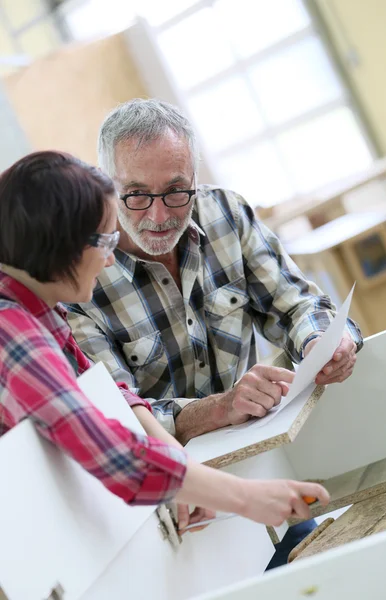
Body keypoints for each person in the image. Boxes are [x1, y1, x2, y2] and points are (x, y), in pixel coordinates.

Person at [67, 99, 362, 563]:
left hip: (263, 470)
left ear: (196, 179)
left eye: (176, 191)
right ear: (106, 186)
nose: (159, 215)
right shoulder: (78, 278)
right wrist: (217, 409)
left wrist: (321, 342)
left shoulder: (225, 213)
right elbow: (118, 416)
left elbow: (297, 303)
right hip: (176, 519)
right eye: (137, 194)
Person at [0, 150, 329, 543]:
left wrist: (182, 466)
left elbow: (110, 393)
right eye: (105, 241)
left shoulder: (36, 308)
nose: (109, 261)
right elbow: (113, 454)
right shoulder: (11, 331)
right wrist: (247, 498)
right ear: (62, 243)